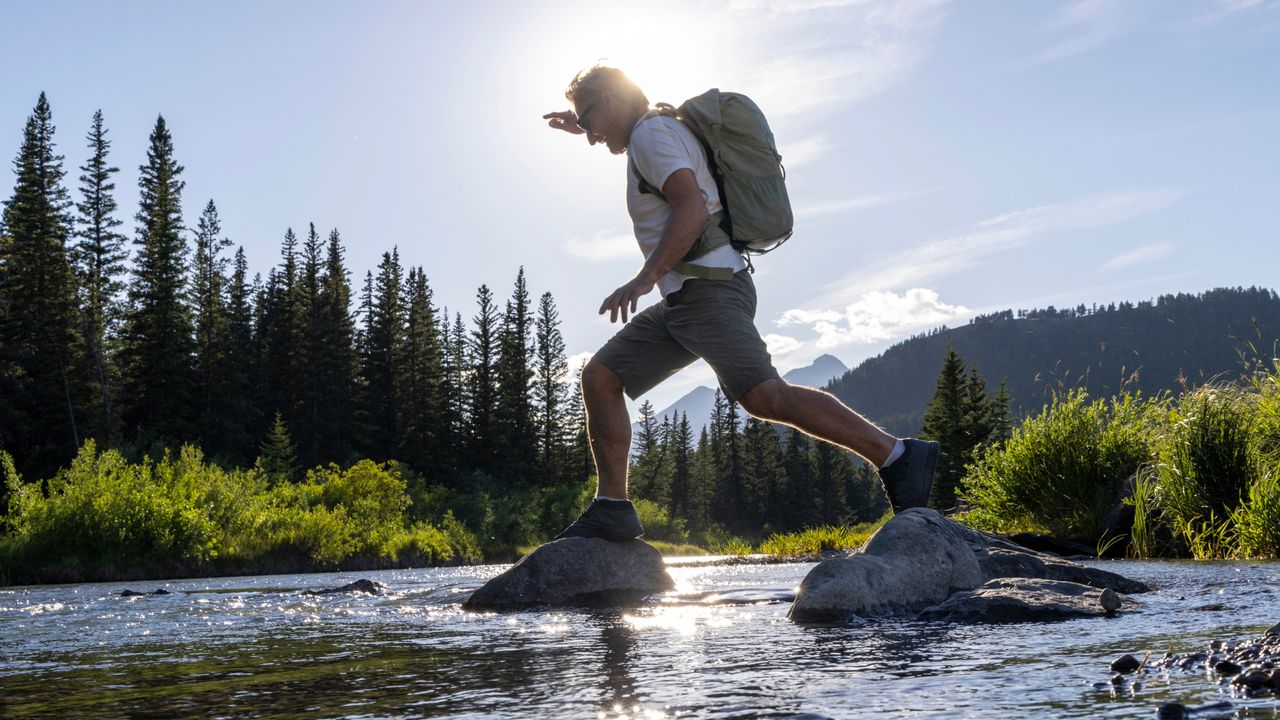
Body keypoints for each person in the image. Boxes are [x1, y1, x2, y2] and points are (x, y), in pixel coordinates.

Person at [543, 66, 939, 541]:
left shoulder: (651, 136)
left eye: (589, 123)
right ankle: (612, 507)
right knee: (602, 377)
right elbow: (653, 166)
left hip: (708, 292)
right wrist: (580, 122)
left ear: (609, 98)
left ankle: (897, 455)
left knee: (764, 396)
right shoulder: (656, 129)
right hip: (689, 298)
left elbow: (690, 206)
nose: (590, 137)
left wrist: (645, 277)